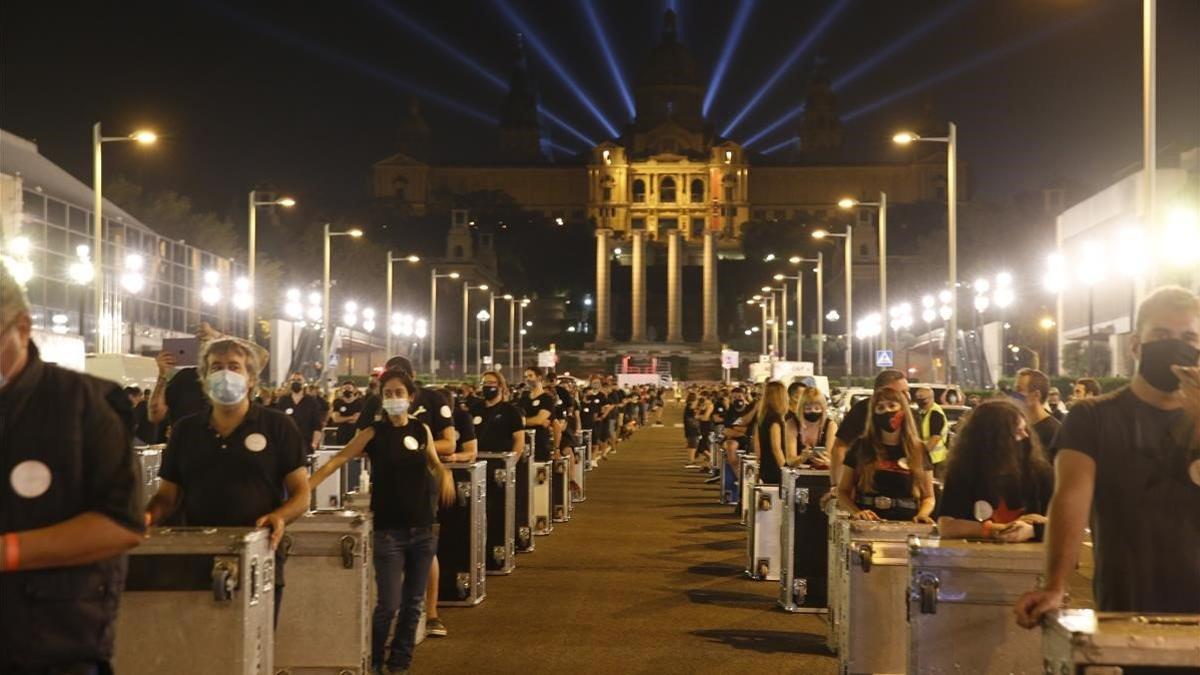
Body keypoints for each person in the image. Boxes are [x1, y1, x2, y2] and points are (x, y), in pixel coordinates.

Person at [1015, 286, 1200, 626]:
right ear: (1135, 345)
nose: (1177, 346)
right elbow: (1070, 498)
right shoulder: (1094, 417)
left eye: (1189, 338)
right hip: (1126, 617)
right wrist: (1055, 584)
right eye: (1161, 334)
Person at [0, 266, 144, 673]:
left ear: (22, 327)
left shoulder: (85, 406)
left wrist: (9, 551)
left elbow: (122, 524)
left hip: (53, 648)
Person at [145, 337, 311, 625]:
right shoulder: (186, 431)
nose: (225, 374)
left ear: (250, 380)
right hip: (196, 558)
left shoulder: (278, 426)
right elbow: (167, 496)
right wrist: (146, 516)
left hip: (259, 553)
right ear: (205, 379)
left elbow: (301, 494)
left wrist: (280, 516)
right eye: (216, 367)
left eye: (234, 367)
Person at [309, 369, 454, 674]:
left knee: (414, 605)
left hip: (423, 529)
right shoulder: (373, 434)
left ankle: (399, 665)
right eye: (387, 394)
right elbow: (337, 460)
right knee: (388, 605)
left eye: (399, 393)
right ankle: (374, 662)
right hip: (388, 533)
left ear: (411, 397)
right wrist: (305, 488)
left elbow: (434, 463)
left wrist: (445, 477)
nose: (394, 399)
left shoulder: (420, 430)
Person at [938, 399, 1053, 541]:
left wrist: (1034, 530)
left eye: (1025, 429)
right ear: (997, 440)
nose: (1025, 436)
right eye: (1018, 431)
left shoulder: (1039, 472)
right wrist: (996, 529)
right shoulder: (963, 472)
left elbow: (1064, 523)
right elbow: (946, 526)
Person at [836, 387, 935, 523]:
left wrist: (923, 514)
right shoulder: (861, 446)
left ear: (903, 411)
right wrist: (857, 513)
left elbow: (928, 497)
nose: (887, 411)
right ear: (874, 413)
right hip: (869, 523)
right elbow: (843, 492)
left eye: (892, 405)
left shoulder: (919, 449)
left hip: (908, 523)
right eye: (880, 408)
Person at [829, 369, 910, 490]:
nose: (908, 397)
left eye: (907, 391)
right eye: (901, 392)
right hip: (865, 484)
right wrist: (838, 485)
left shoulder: (912, 415)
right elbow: (840, 447)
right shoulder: (861, 410)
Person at [147, 322, 222, 434]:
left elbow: (256, 356)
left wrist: (218, 336)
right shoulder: (185, 377)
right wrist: (162, 375)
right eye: (201, 343)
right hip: (185, 446)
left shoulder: (227, 381)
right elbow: (155, 414)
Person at [1013, 368, 1061, 456]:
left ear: (1036, 395)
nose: (1015, 395)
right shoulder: (1019, 426)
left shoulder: (1055, 433)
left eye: (1019, 390)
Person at [274, 373, 325, 453]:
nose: (296, 382)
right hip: (286, 444)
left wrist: (314, 444)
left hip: (306, 444)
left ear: (304, 382)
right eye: (293, 380)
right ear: (289, 382)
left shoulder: (311, 402)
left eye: (299, 380)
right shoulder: (283, 401)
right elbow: (277, 423)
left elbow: (317, 426)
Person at [755, 382, 791, 486]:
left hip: (765, 466)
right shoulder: (776, 420)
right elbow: (776, 448)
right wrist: (785, 470)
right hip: (776, 468)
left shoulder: (762, 418)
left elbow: (757, 445)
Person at [519, 367, 555, 462]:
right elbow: (515, 417)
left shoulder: (547, 399)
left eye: (530, 376)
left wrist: (522, 421)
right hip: (523, 443)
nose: (527, 379)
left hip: (540, 444)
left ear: (539, 378)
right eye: (526, 376)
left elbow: (539, 420)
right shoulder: (523, 398)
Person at [913, 387, 949, 478]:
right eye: (918, 398)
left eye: (922, 398)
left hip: (935, 459)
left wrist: (922, 456)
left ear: (931, 398)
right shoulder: (922, 411)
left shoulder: (935, 414)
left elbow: (935, 438)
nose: (919, 401)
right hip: (929, 459)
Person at [797, 387, 837, 467]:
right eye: (808, 408)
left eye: (817, 408)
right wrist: (801, 458)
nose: (813, 411)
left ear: (823, 409)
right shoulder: (792, 424)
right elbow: (790, 460)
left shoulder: (830, 426)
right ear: (801, 409)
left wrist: (827, 462)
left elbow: (830, 456)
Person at [330, 381, 364, 446]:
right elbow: (336, 419)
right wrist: (351, 417)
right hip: (342, 432)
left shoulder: (360, 402)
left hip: (355, 432)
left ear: (354, 390)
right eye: (344, 388)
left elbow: (356, 418)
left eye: (348, 388)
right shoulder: (338, 402)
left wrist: (343, 418)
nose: (346, 390)